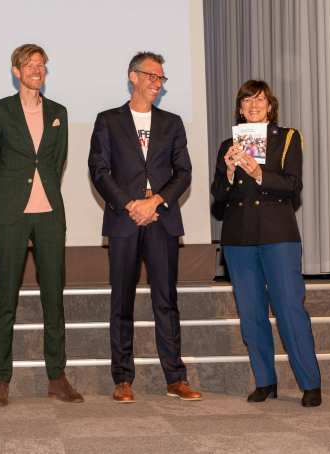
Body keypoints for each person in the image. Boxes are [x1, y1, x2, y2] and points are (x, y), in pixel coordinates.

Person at [89, 51, 201, 403]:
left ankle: (175, 378)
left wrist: (155, 202)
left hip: (161, 220)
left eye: (161, 78)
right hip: (124, 221)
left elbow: (184, 172)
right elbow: (99, 170)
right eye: (152, 76)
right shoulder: (108, 120)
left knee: (166, 301)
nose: (157, 83)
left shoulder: (172, 123)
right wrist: (129, 204)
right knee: (121, 301)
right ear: (133, 77)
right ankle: (122, 379)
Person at [0, 44, 83, 407]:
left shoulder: (59, 112)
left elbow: (57, 161)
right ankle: (0, 380)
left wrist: (45, 196)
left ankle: (56, 377)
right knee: (5, 297)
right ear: (16, 70)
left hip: (50, 215)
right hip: (11, 214)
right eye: (29, 64)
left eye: (41, 65)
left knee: (53, 297)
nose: (36, 70)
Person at [211, 79, 322, 407]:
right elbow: (218, 198)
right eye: (247, 101)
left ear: (270, 106)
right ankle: (265, 381)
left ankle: (310, 382)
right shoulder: (227, 145)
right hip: (238, 238)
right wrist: (230, 173)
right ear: (240, 108)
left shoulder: (288, 138)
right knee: (251, 313)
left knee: (289, 308)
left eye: (259, 100)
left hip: (278, 235)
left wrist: (258, 173)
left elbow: (292, 185)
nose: (253, 106)